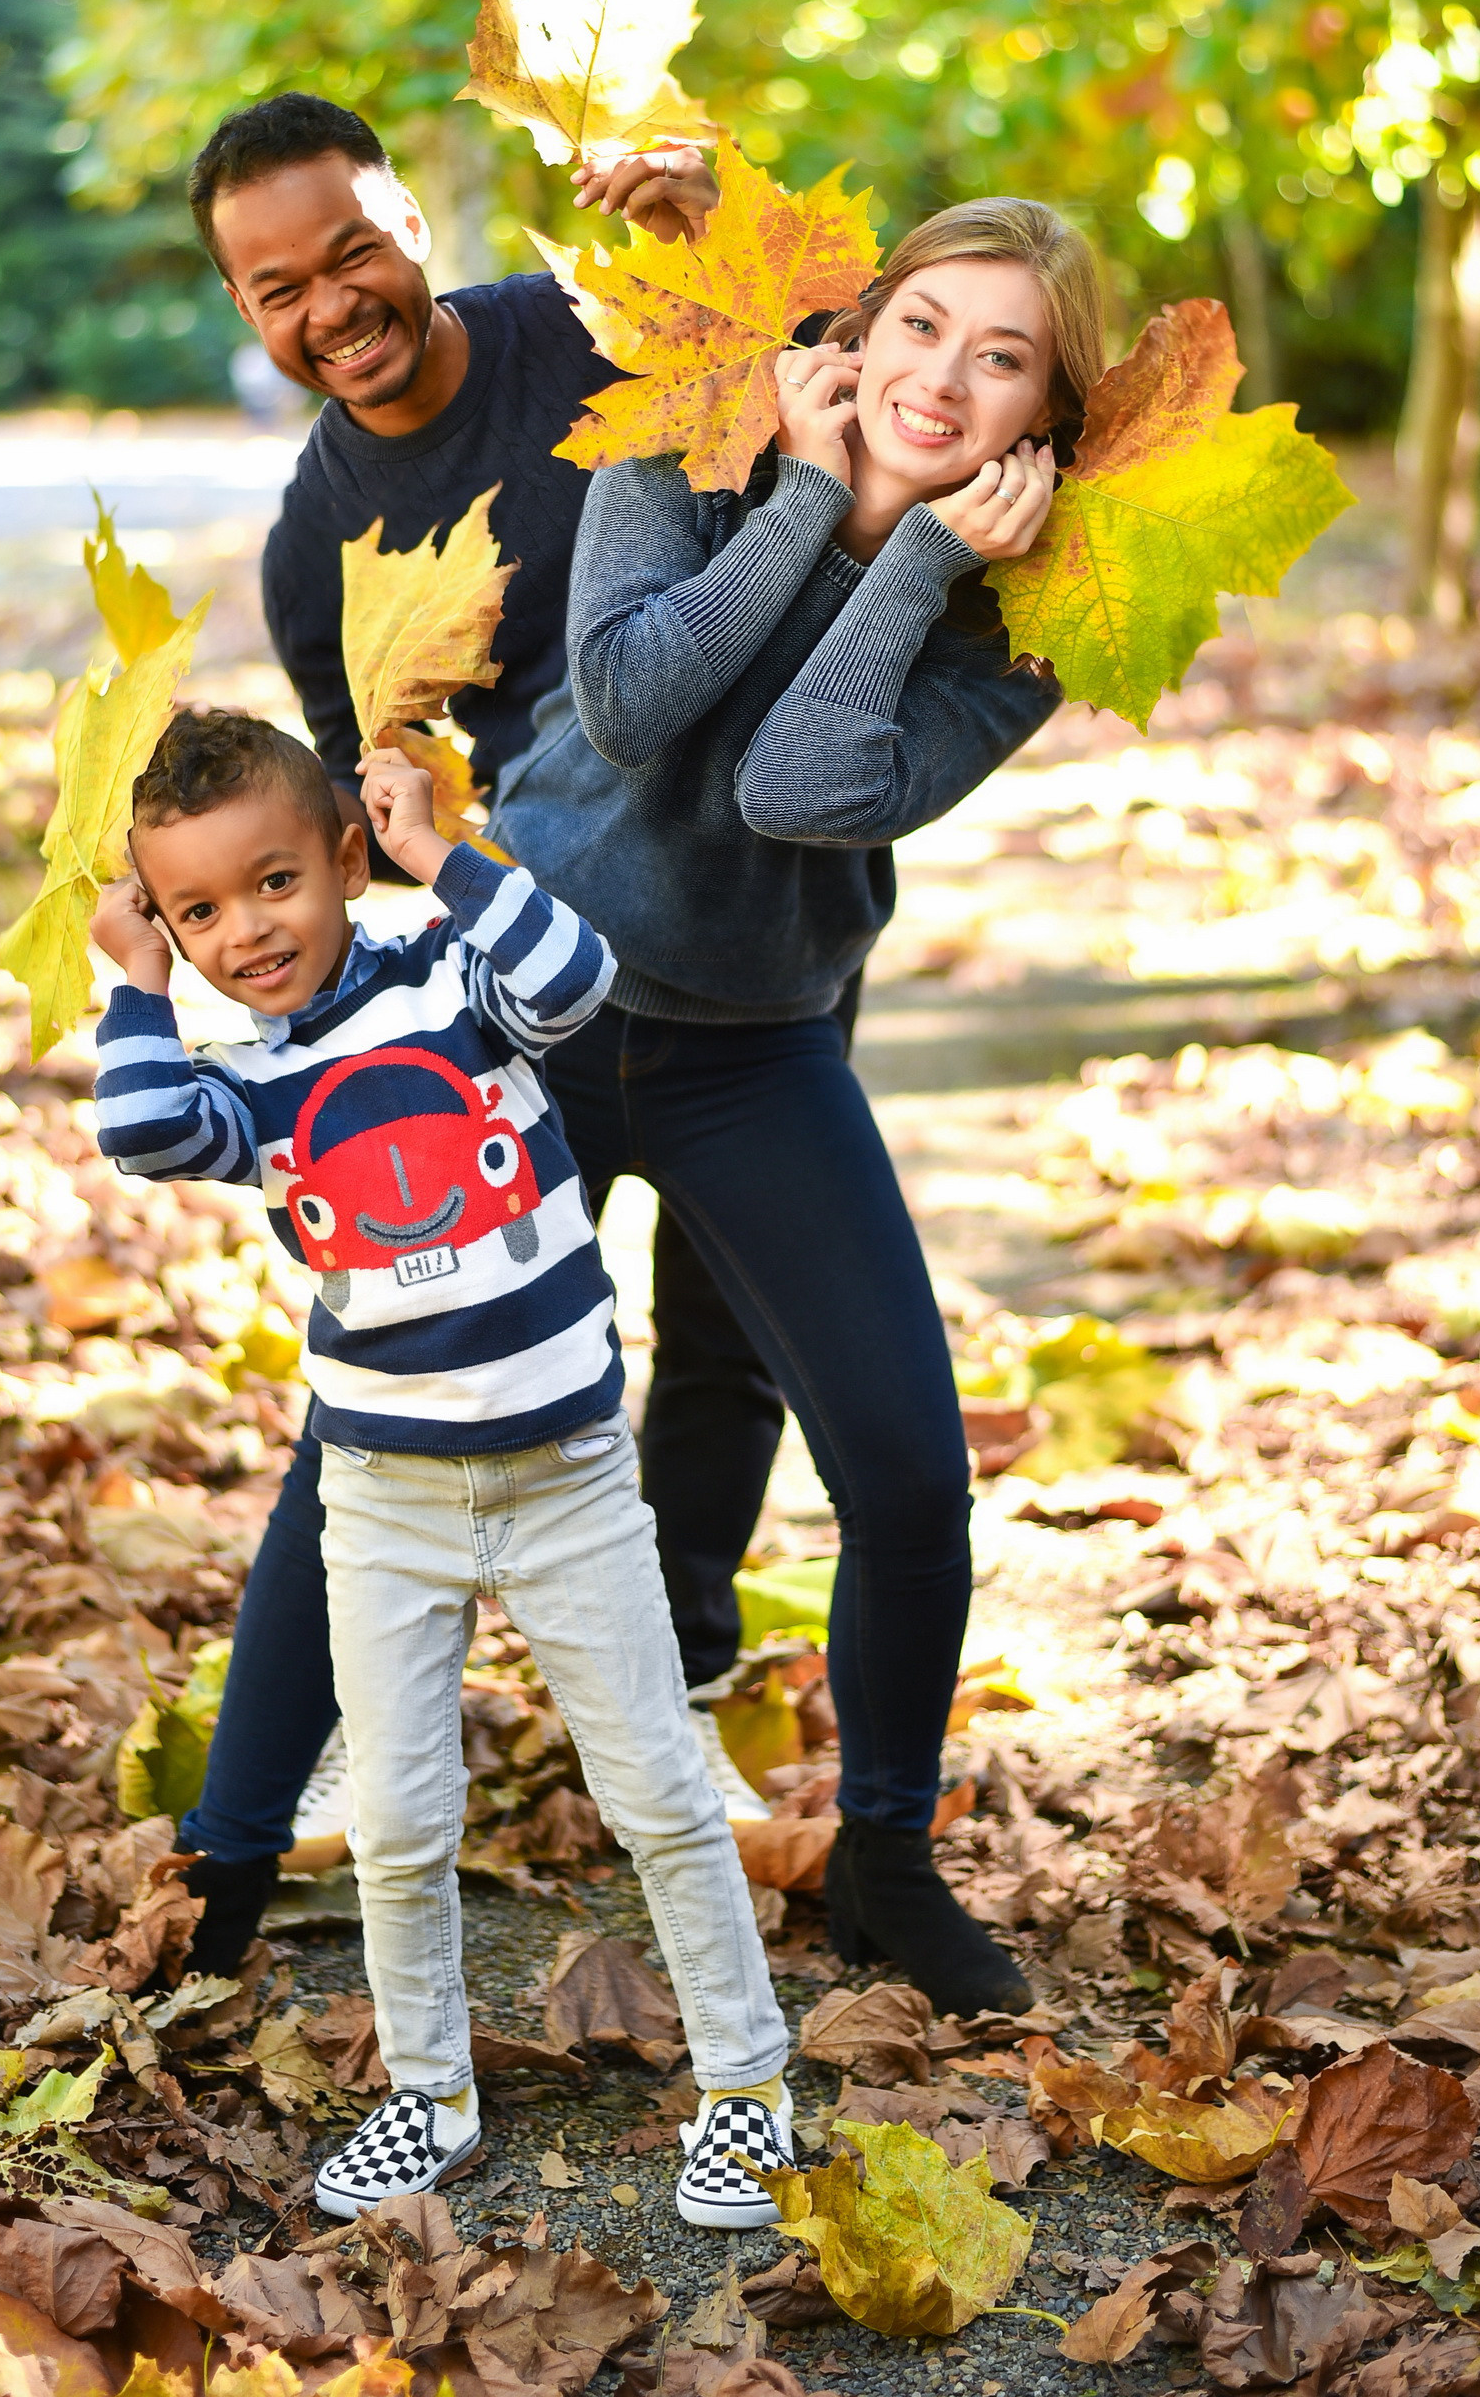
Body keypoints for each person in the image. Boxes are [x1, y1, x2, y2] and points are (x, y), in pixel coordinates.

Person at [175, 94, 790, 1953]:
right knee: (415, 1349)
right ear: (247, 305)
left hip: (728, 920)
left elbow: (819, 422)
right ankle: (289, 1775)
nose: (330, 306)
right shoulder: (314, 550)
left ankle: (667, 1678)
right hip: (506, 999)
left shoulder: (599, 322)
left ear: (409, 219)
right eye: (275, 288)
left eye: (351, 249)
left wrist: (713, 236)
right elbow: (363, 811)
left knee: (729, 1334)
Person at [486, 199, 1105, 2015]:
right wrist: (807, 511)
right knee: (405, 1412)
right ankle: (253, 1820)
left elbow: (795, 785)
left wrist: (901, 561)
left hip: (759, 1039)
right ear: (865, 323)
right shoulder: (689, 430)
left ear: (1043, 417)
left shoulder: (1037, 606)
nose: (946, 378)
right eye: (924, 325)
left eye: (1004, 360)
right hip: (528, 997)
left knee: (908, 1468)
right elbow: (627, 702)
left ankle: (888, 1867)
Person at [87, 708, 793, 2226]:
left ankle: (745, 2086)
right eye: (197, 909)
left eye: (273, 882)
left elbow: (579, 977)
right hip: (385, 1500)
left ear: (343, 853)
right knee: (404, 1822)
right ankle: (430, 2092)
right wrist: (135, 983)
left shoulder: (451, 983)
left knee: (660, 1793)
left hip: (565, 1481)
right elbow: (141, 1133)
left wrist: (441, 855)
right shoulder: (245, 1079)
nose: (244, 931)